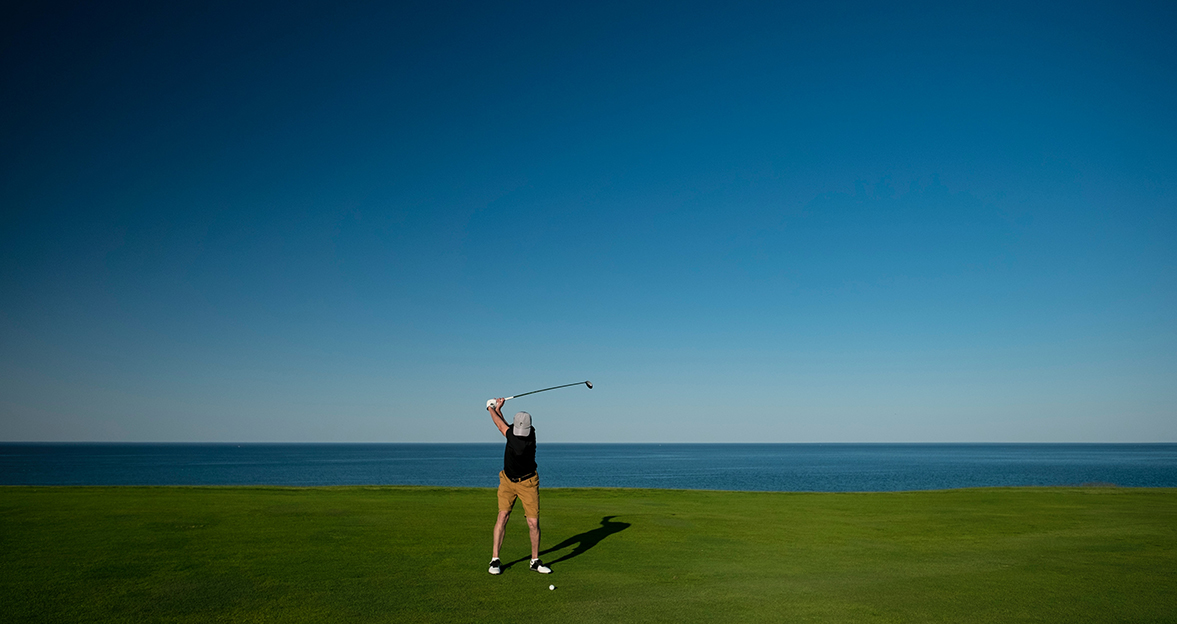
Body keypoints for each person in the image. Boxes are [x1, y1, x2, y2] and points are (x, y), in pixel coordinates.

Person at [487, 397, 551, 575]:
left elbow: (501, 426)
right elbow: (504, 425)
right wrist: (499, 408)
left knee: (533, 522)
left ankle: (535, 561)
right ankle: (495, 560)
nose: (522, 433)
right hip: (507, 481)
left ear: (529, 429)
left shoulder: (525, 437)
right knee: (503, 516)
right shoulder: (518, 432)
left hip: (528, 483)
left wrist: (489, 408)